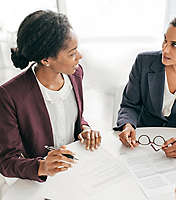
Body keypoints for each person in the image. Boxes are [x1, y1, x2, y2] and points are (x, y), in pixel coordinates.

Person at [0, 10, 101, 182]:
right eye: (72, 53)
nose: (80, 56)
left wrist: (84, 129)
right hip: (39, 182)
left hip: (76, 170)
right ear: (46, 60)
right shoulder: (9, 95)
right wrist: (42, 166)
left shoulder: (76, 74)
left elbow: (73, 118)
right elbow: (6, 160)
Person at [114, 11, 176, 159]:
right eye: (165, 40)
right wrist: (128, 125)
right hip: (142, 136)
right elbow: (129, 105)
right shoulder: (144, 62)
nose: (165, 49)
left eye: (175, 45)